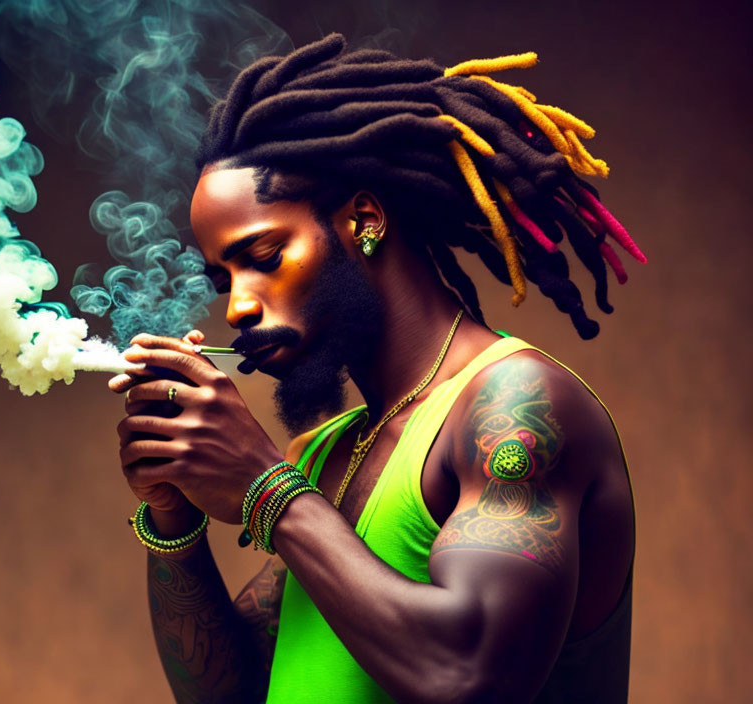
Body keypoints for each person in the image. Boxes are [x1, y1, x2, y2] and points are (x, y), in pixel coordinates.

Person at [109, 34, 641, 703]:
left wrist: (263, 484)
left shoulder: (514, 404)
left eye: (265, 256)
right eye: (224, 280)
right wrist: (173, 521)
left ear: (364, 221)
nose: (239, 306)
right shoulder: (332, 453)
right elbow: (232, 695)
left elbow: (468, 676)